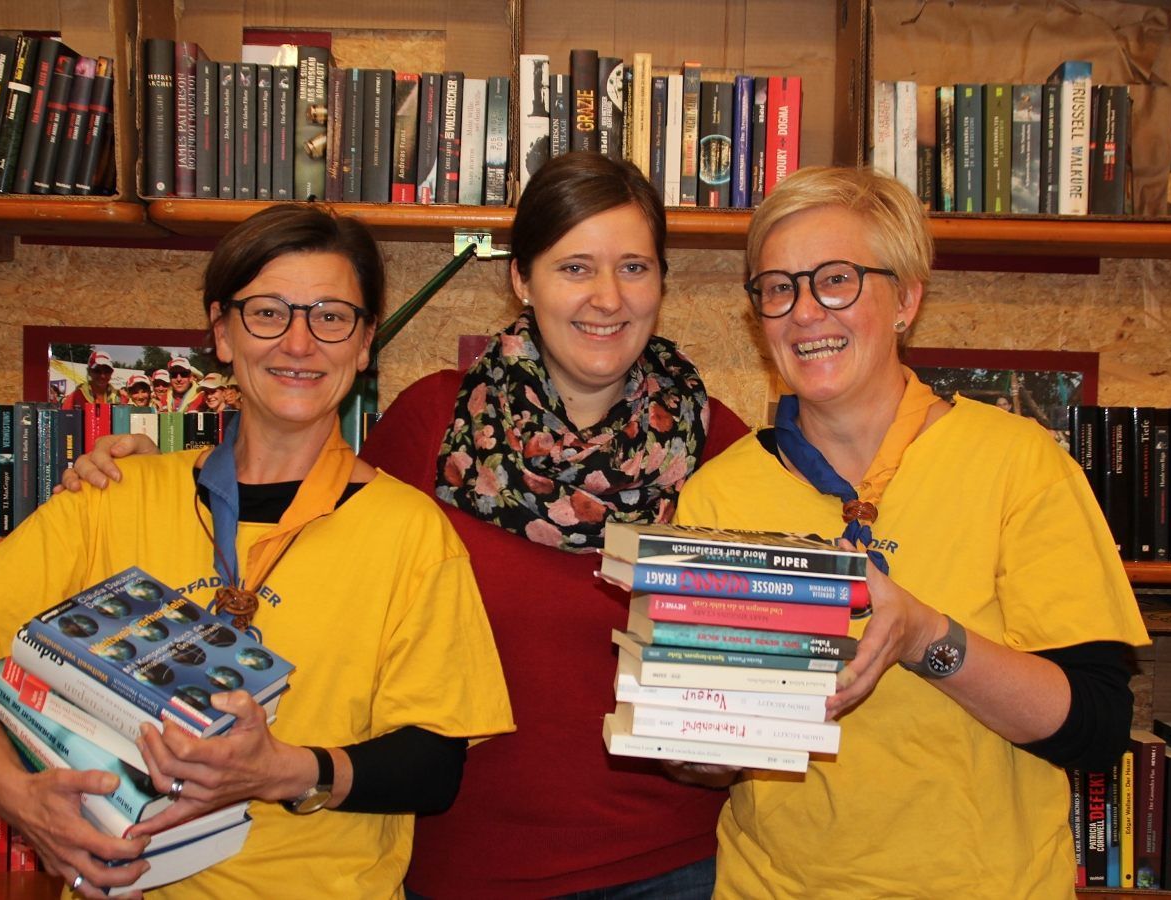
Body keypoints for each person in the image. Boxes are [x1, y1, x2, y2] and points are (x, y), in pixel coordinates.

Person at [60, 152, 750, 899]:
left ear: (663, 282)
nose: (607, 298)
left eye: (635, 268)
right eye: (575, 267)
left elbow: (753, 669)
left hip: (665, 868)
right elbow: (303, 530)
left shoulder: (719, 450)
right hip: (453, 867)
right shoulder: (432, 423)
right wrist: (150, 465)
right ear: (522, 279)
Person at [0, 204, 513, 898]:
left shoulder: (411, 532)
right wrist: (13, 791)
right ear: (222, 333)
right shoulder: (113, 493)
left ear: (364, 341)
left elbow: (434, 767)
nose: (298, 343)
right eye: (267, 313)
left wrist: (282, 770)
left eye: (330, 316)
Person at [669, 165, 1149, 897]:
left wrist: (926, 636)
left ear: (907, 300)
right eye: (778, 287)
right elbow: (713, 749)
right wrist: (690, 738)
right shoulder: (717, 493)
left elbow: (1096, 726)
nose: (804, 312)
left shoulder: (1020, 465)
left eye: (836, 280)